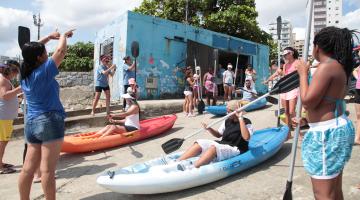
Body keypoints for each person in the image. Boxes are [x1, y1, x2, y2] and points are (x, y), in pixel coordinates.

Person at [297, 26, 356, 200]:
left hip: (326, 134)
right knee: (334, 189)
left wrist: (302, 73)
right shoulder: (339, 66)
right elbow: (323, 102)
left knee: (323, 194)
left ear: (317, 47)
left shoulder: (327, 66)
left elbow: (308, 101)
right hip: (335, 127)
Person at [18, 29, 75, 200]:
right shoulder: (43, 72)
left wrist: (49, 37)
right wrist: (64, 36)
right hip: (49, 120)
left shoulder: (24, 73)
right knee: (47, 170)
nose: (47, 53)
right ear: (39, 58)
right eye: (44, 52)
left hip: (31, 123)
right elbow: (61, 51)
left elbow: (28, 51)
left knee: (27, 169)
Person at [177, 100, 253, 170]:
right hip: (224, 144)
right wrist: (210, 129)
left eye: (229, 111)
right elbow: (218, 134)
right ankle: (178, 162)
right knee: (199, 143)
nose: (227, 113)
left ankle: (193, 168)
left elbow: (246, 137)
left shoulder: (246, 122)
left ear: (235, 112)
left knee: (214, 148)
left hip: (236, 148)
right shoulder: (227, 121)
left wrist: (240, 118)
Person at [0, 61, 21, 174]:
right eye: (15, 73)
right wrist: (19, 89)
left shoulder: (4, 79)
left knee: (3, 140)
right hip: (4, 116)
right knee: (2, 141)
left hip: (5, 115)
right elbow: (4, 95)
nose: (16, 76)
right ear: (11, 71)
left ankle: (0, 162)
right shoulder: (3, 80)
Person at [281, 47, 300, 138]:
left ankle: (298, 133)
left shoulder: (298, 62)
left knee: (292, 111)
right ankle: (288, 134)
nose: (284, 56)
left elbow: (302, 76)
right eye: (283, 55)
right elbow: (284, 78)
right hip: (285, 89)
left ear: (291, 53)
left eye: (285, 54)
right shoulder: (285, 65)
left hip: (294, 89)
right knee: (286, 112)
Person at [352, 50, 360, 145]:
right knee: (358, 115)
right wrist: (357, 78)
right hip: (358, 89)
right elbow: (354, 70)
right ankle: (358, 138)